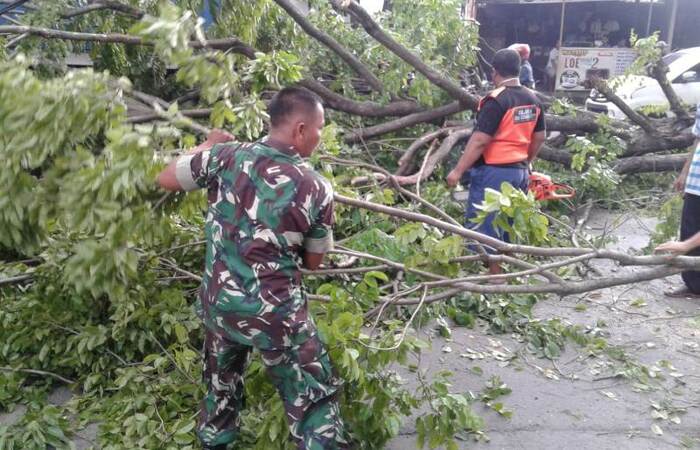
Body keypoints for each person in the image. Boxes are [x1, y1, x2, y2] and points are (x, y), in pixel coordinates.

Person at [157, 87, 348, 450]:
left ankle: (216, 441)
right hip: (276, 314)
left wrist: (206, 145)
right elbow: (312, 262)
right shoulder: (316, 187)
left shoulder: (224, 157)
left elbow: (166, 177)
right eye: (321, 129)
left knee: (219, 390)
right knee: (315, 400)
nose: (321, 138)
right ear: (301, 129)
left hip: (221, 308)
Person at [447, 49, 546, 276]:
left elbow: (480, 141)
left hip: (494, 171)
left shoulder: (496, 100)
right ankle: (509, 268)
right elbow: (539, 137)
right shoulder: (533, 99)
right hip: (519, 170)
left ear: (494, 73)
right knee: (508, 219)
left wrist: (457, 170)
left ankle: (495, 275)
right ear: (519, 69)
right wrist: (527, 161)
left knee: (486, 223)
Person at [654, 103, 700, 298]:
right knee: (689, 229)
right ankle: (694, 286)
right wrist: (685, 172)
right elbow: (697, 140)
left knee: (688, 241)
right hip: (697, 179)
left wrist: (685, 246)